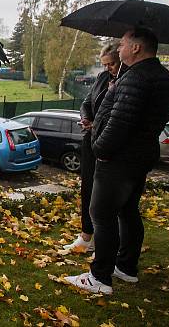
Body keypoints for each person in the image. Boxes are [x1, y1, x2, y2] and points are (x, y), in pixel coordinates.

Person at [66, 27, 169, 295]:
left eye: (123, 44)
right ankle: (126, 267)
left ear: (137, 47)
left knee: (101, 215)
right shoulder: (165, 79)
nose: (119, 49)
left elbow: (119, 123)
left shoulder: (136, 79)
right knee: (127, 212)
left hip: (117, 159)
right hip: (140, 157)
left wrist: (99, 149)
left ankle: (100, 277)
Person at [64, 42, 123, 253]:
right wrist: (86, 118)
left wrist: (97, 123)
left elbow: (119, 116)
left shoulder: (127, 82)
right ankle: (86, 235)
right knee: (87, 189)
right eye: (105, 64)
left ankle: (104, 241)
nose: (108, 68)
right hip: (91, 140)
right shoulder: (102, 78)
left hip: (110, 144)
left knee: (106, 197)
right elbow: (86, 103)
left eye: (112, 64)